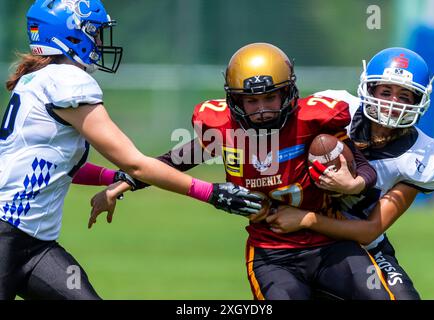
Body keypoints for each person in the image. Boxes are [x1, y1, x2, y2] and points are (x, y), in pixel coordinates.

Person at [0, 0, 262, 300]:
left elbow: (58, 165)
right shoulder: (67, 82)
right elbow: (136, 163)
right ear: (71, 35)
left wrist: (111, 178)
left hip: (35, 244)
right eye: (94, 33)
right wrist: (212, 193)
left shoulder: (38, 79)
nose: (99, 41)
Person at [91, 43, 396, 300]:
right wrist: (128, 180)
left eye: (269, 98)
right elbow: (176, 159)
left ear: (288, 93)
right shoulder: (224, 128)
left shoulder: (312, 121)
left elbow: (365, 168)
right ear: (235, 100)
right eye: (251, 100)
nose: (261, 108)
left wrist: (354, 184)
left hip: (330, 243)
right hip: (273, 255)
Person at [266, 47, 434, 299]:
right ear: (369, 89)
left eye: (404, 96)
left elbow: (370, 230)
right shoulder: (336, 109)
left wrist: (306, 218)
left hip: (361, 243)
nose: (392, 103)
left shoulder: (425, 157)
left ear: (419, 101)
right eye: (385, 92)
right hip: (300, 240)